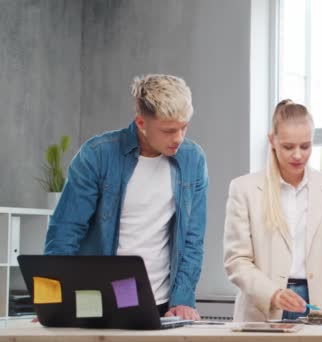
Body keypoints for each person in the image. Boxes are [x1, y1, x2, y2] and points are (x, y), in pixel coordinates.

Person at [44, 74, 208, 320]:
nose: (178, 138)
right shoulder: (97, 155)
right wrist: (50, 301)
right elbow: (65, 233)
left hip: (161, 303)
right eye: (168, 130)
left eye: (184, 127)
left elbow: (193, 239)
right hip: (100, 298)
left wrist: (183, 298)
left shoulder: (192, 159)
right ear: (141, 122)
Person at [223, 99, 322, 322]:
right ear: (272, 141)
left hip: (314, 305)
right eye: (288, 147)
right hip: (263, 306)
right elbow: (236, 261)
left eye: (305, 146)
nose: (297, 155)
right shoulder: (244, 189)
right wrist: (273, 294)